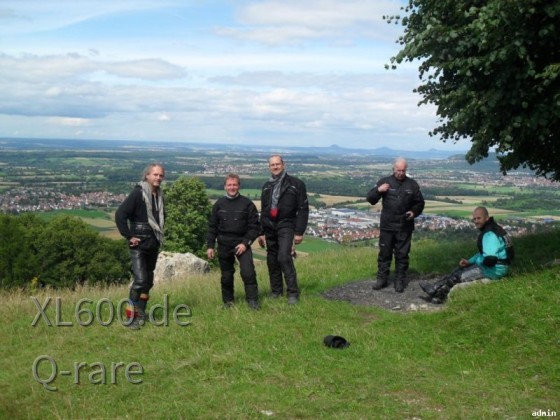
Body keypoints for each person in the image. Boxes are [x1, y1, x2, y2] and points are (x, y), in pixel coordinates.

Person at [420, 206, 513, 303]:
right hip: (501, 266)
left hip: (494, 270)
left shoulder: (489, 235)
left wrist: (477, 263)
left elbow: (490, 259)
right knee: (458, 270)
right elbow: (484, 253)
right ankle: (435, 290)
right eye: (474, 219)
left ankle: (438, 295)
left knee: (458, 276)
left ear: (487, 218)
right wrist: (469, 262)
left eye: (479, 218)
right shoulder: (496, 229)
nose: (476, 221)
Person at [115, 163, 165, 329]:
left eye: (160, 175)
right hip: (139, 244)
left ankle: (140, 313)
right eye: (155, 175)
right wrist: (129, 236)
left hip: (153, 242)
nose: (158, 178)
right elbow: (121, 214)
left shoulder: (159, 195)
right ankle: (131, 317)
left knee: (148, 281)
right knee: (140, 280)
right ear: (147, 176)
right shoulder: (138, 193)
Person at [366, 157, 425, 293]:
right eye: (398, 170)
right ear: (393, 169)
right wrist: (378, 190)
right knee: (384, 254)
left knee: (402, 255)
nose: (400, 173)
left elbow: (420, 203)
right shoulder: (384, 182)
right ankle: (382, 279)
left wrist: (414, 212)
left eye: (403, 170)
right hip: (387, 226)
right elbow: (370, 199)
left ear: (406, 170)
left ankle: (399, 281)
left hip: (404, 226)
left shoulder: (412, 185)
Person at [258, 155, 309, 305]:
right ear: (269, 167)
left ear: (283, 165)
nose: (275, 167)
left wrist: (299, 232)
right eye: (272, 165)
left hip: (286, 224)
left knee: (284, 257)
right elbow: (264, 210)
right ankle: (276, 291)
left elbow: (303, 209)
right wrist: (260, 232)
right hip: (269, 226)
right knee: (272, 260)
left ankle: (293, 293)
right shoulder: (267, 186)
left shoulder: (296, 184)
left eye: (277, 164)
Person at [207, 174, 261, 310]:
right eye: (229, 185)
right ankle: (228, 302)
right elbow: (212, 227)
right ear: (225, 186)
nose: (232, 187)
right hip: (224, 244)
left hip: (242, 243)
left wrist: (245, 243)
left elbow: (254, 227)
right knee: (226, 276)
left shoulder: (247, 204)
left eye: (235, 185)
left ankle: (253, 301)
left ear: (239, 186)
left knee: (248, 273)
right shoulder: (218, 205)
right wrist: (210, 246)